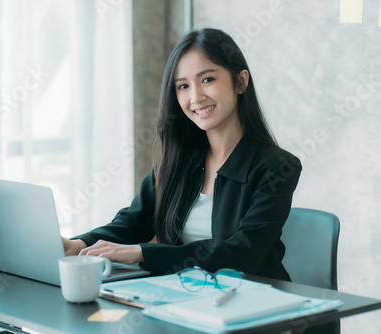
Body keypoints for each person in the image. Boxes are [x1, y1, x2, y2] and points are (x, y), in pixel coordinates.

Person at [63, 28, 302, 281]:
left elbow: (242, 252)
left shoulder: (277, 166)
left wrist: (142, 252)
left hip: (256, 303)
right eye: (183, 86)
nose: (195, 97)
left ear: (240, 82)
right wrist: (80, 244)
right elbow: (134, 222)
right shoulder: (178, 161)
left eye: (207, 79)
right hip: (184, 297)